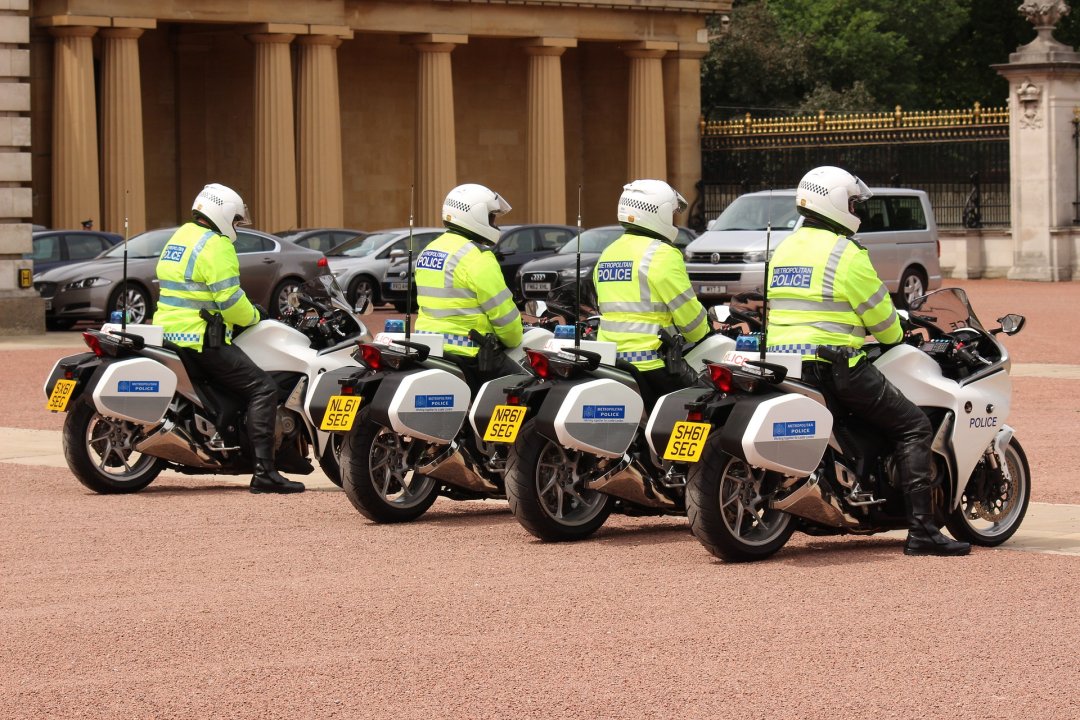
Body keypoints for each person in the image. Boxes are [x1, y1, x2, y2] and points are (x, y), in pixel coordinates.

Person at [765, 165, 968, 557]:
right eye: (854, 202)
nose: (858, 209)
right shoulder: (844, 253)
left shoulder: (784, 248)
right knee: (912, 427)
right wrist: (898, 334)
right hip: (834, 366)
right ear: (838, 203)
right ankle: (923, 530)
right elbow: (882, 319)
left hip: (785, 362)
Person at [153, 183, 304, 495]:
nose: (235, 226)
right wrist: (256, 316)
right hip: (200, 338)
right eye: (236, 219)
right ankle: (265, 472)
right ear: (221, 213)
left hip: (168, 333)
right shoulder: (216, 245)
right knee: (263, 388)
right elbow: (230, 300)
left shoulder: (179, 237)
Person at [594, 179, 710, 408]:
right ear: (660, 213)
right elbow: (693, 325)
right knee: (705, 404)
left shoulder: (608, 253)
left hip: (610, 363)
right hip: (650, 365)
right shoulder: (661, 254)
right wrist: (704, 328)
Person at [413, 183, 523, 388]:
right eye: (491, 217)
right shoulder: (477, 257)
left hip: (430, 348)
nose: (494, 224)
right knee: (527, 385)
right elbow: (504, 316)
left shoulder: (429, 250)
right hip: (469, 353)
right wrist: (515, 336)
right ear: (476, 215)